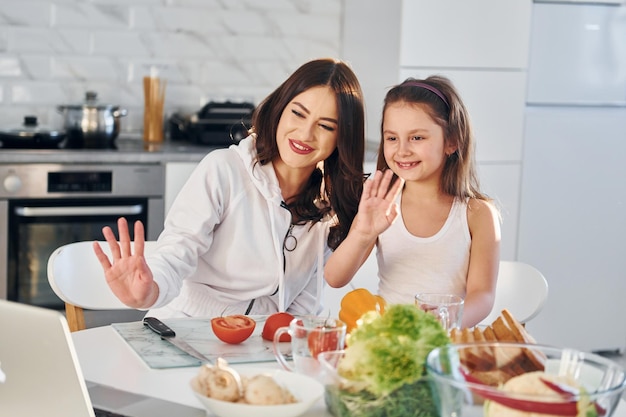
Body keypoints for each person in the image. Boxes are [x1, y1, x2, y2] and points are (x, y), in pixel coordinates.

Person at [93, 58, 366, 319]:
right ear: (281, 108)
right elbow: (177, 251)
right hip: (182, 328)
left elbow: (304, 304)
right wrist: (149, 292)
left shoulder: (330, 207)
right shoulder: (223, 169)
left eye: (325, 126)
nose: (306, 134)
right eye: (298, 113)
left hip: (259, 345)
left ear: (342, 138)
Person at [324, 75, 501, 328]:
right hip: (387, 341)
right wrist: (363, 233)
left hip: (444, 343)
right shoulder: (381, 204)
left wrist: (447, 319)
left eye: (417, 138)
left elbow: (482, 295)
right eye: (392, 138)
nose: (402, 150)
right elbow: (334, 277)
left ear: (451, 141)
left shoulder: (478, 214)